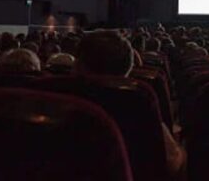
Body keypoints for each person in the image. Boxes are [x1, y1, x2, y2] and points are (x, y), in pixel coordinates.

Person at [75, 30, 185, 175]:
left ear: (78, 64)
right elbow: (171, 162)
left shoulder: (54, 95)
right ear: (129, 68)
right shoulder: (137, 100)